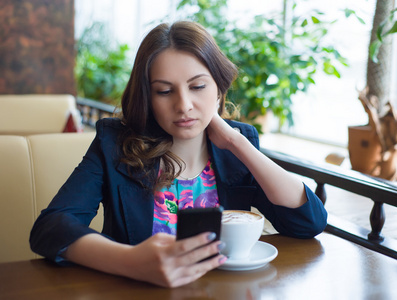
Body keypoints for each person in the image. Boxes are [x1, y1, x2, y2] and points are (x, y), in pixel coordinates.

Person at [30, 21, 327, 288]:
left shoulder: (237, 148)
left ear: (219, 89)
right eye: (164, 91)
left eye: (198, 86)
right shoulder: (115, 143)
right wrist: (131, 260)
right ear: (147, 98)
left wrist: (238, 143)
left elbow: (308, 222)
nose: (184, 105)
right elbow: (50, 228)